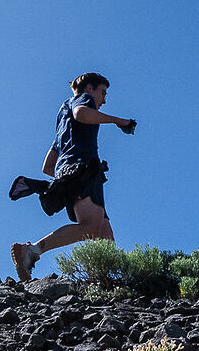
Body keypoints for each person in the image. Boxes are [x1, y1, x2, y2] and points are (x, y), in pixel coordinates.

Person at [9, 72, 136, 282]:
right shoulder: (83, 101)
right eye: (103, 93)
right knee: (92, 227)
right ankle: (31, 251)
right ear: (89, 88)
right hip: (84, 168)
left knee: (104, 234)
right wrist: (119, 121)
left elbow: (48, 166)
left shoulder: (62, 119)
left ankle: (106, 281)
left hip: (70, 173)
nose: (104, 100)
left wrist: (67, 179)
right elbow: (81, 113)